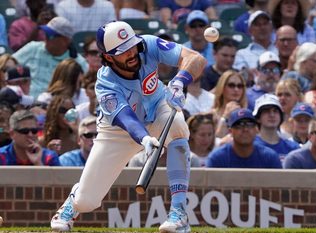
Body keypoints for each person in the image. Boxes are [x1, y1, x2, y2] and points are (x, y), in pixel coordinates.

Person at [50, 21, 206, 233]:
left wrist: (180, 81)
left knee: (178, 126)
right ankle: (72, 203)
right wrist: (143, 138)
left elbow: (195, 58)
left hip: (158, 106)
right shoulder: (105, 83)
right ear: (107, 57)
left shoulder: (148, 45)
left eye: (131, 46)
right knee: (87, 201)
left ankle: (179, 213)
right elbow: (126, 118)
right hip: (119, 132)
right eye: (122, 51)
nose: (131, 53)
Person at [12, 16, 88, 98]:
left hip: (55, 105)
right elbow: (8, 63)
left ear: (65, 40)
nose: (45, 38)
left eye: (50, 36)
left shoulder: (78, 63)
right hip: (26, 101)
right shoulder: (33, 48)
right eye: (45, 33)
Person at [206, 108, 282, 168]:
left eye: (249, 125)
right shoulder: (217, 158)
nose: (245, 129)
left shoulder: (269, 157)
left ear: (256, 129)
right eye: (239, 125)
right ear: (230, 131)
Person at [253, 93, 300, 161]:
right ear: (258, 118)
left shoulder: (293, 148)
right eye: (266, 111)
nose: (272, 115)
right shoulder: (249, 147)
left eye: (275, 111)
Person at [211, 70, 248, 138]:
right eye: (231, 85)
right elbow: (215, 142)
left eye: (240, 86)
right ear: (222, 87)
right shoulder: (211, 115)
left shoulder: (248, 115)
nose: (236, 89)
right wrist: (225, 117)